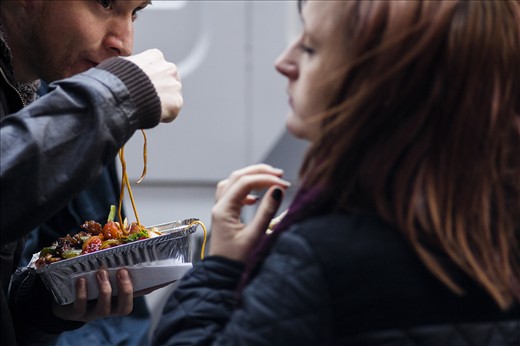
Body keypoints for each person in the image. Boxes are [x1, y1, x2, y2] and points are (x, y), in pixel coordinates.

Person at [152, 0, 520, 345]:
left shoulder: (318, 259)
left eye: (310, 47)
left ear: (382, 83)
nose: (284, 61)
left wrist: (220, 268)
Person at [0, 0, 183, 345]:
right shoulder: (84, 102)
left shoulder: (30, 87)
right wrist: (118, 95)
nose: (125, 43)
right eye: (105, 2)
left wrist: (44, 305)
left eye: (135, 12)